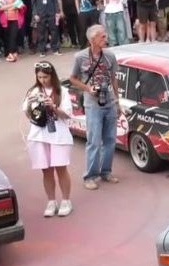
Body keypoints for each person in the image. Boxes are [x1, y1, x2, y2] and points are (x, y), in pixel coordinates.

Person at [69, 25, 121, 190]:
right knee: (94, 141)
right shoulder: (80, 57)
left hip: (109, 101)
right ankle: (90, 176)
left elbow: (113, 78)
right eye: (102, 37)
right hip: (93, 105)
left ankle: (106, 171)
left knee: (110, 139)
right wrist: (88, 89)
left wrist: (117, 101)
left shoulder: (110, 55)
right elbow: (72, 78)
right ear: (93, 40)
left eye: (106, 36)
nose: (106, 39)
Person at [22, 61, 74, 217]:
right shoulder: (33, 91)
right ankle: (51, 201)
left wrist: (53, 106)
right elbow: (27, 114)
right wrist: (32, 104)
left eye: (45, 77)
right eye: (39, 77)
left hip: (59, 136)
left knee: (61, 169)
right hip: (39, 136)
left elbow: (67, 115)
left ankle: (66, 200)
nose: (42, 80)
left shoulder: (62, 91)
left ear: (52, 75)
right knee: (46, 170)